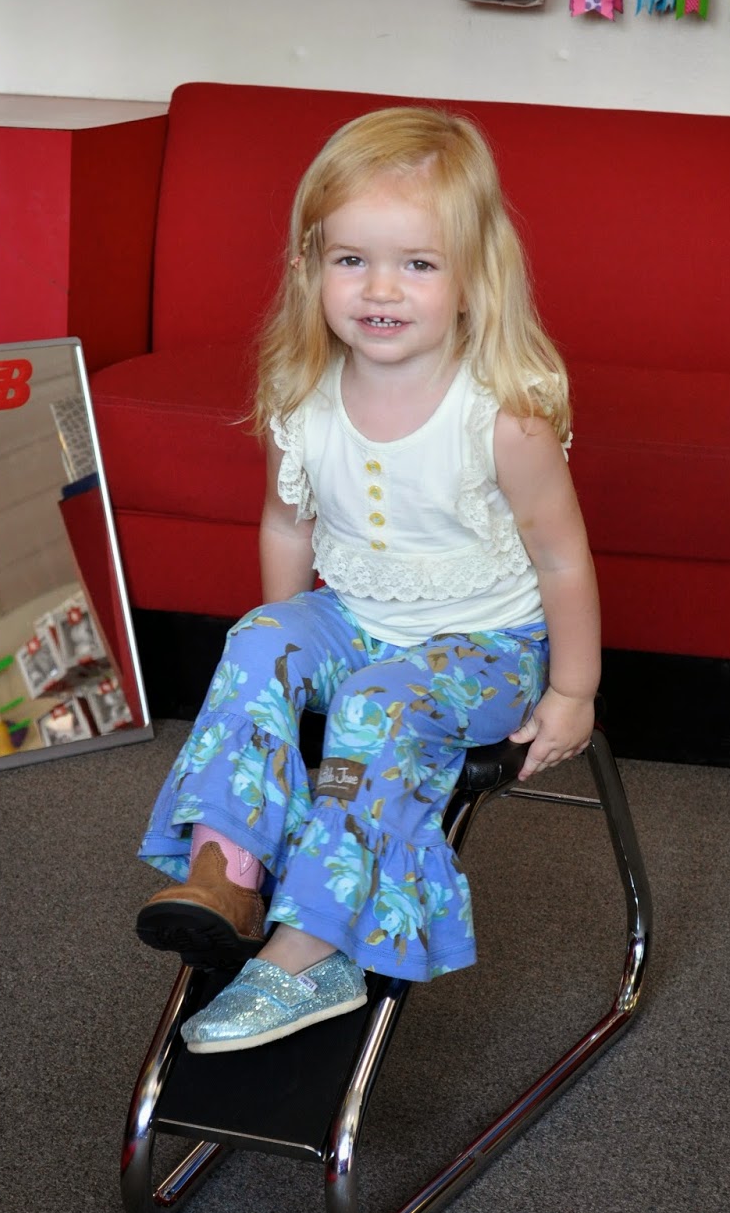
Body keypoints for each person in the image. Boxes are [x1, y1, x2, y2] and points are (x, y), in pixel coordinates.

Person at [135, 104, 600, 1055]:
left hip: (485, 647)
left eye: (417, 264)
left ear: (473, 280)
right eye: (351, 259)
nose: (380, 289)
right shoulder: (302, 399)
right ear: (310, 268)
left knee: (376, 706)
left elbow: (563, 557)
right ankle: (229, 867)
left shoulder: (501, 417)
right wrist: (286, 659)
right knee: (258, 639)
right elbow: (287, 523)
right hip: (357, 617)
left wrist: (573, 692)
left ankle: (318, 950)